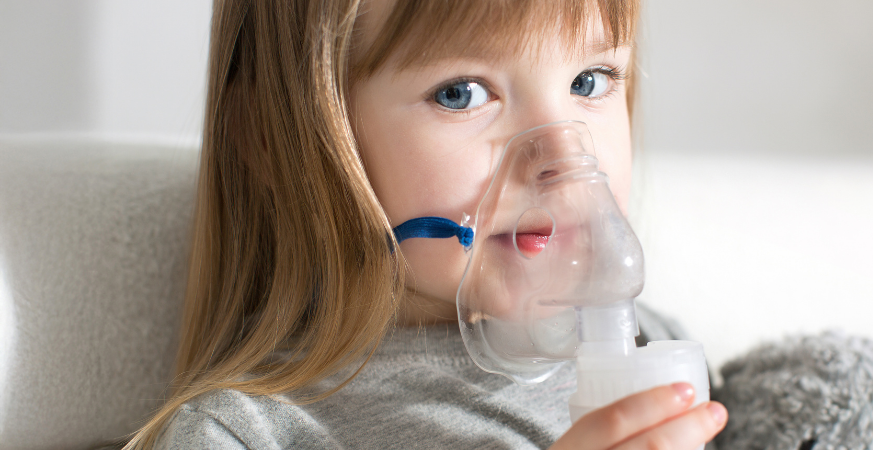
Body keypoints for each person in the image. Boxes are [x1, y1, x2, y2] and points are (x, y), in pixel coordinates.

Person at [123, 0, 727, 448]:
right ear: (279, 142)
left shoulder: (657, 344)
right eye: (461, 94)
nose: (565, 160)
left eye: (588, 81)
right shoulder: (251, 433)